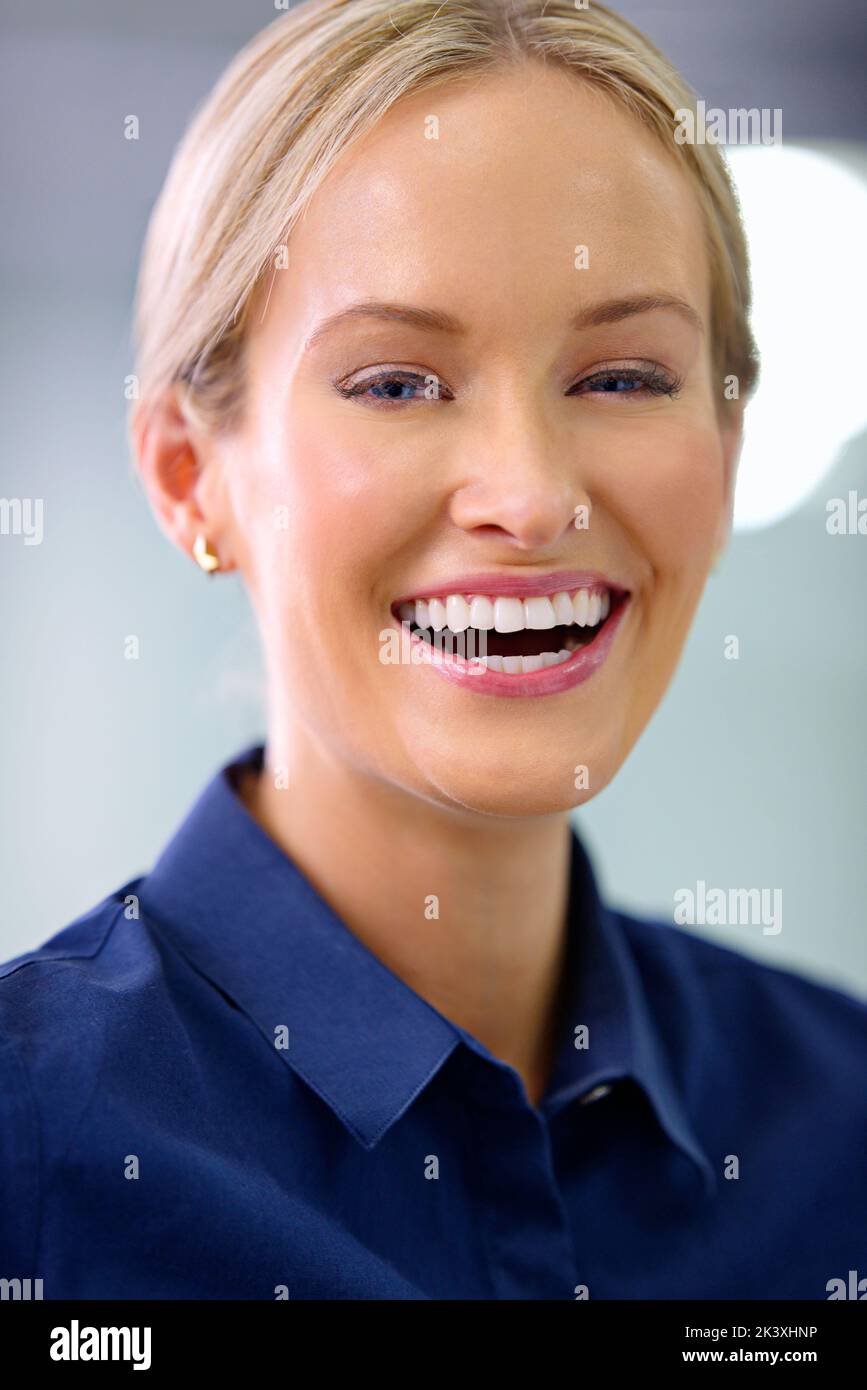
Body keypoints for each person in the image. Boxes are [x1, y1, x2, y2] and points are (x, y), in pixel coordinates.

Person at [1, 0, 864, 1300]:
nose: (528, 496)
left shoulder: (843, 1122)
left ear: (728, 456)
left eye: (624, 378)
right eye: (397, 383)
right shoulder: (30, 1145)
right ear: (191, 476)